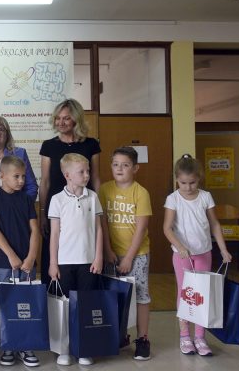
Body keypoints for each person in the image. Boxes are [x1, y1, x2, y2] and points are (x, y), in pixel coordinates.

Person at [163, 154, 232, 357]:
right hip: (182, 255)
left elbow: (215, 224)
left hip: (204, 253)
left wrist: (223, 249)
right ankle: (185, 335)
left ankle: (200, 337)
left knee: (202, 294)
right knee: (185, 293)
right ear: (177, 179)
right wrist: (180, 247)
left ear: (199, 179)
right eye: (183, 183)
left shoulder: (205, 197)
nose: (188, 187)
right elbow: (167, 228)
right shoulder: (173, 199)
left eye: (192, 182)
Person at [48, 153, 103, 366]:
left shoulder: (93, 197)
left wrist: (98, 256)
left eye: (88, 171)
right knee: (65, 307)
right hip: (64, 263)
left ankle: (83, 348)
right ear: (67, 175)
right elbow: (54, 234)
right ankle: (64, 348)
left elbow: (98, 229)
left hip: (88, 262)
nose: (87, 175)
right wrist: (53, 263)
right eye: (82, 172)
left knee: (85, 305)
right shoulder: (57, 199)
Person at [39, 98, 101, 287]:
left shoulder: (91, 144)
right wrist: (42, 213)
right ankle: (54, 301)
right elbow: (45, 181)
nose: (61, 122)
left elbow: (96, 178)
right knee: (54, 258)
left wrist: (99, 208)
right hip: (56, 209)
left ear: (76, 119)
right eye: (58, 118)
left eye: (66, 118)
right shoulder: (48, 146)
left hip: (84, 205)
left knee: (85, 255)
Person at [0, 155, 41, 368]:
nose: (21, 181)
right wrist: (11, 255)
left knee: (25, 303)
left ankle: (26, 345)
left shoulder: (26, 199)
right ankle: (8, 345)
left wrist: (31, 257)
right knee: (6, 304)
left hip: (27, 262)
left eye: (23, 177)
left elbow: (35, 230)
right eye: (16, 176)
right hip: (2, 262)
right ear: (2, 176)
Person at [99, 147, 152, 360]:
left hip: (137, 254)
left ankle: (143, 339)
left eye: (125, 165)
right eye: (115, 164)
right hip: (111, 254)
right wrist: (107, 249)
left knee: (140, 295)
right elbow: (102, 222)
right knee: (114, 295)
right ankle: (119, 334)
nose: (119, 169)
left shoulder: (141, 192)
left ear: (135, 168)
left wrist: (129, 257)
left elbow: (141, 228)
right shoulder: (104, 190)